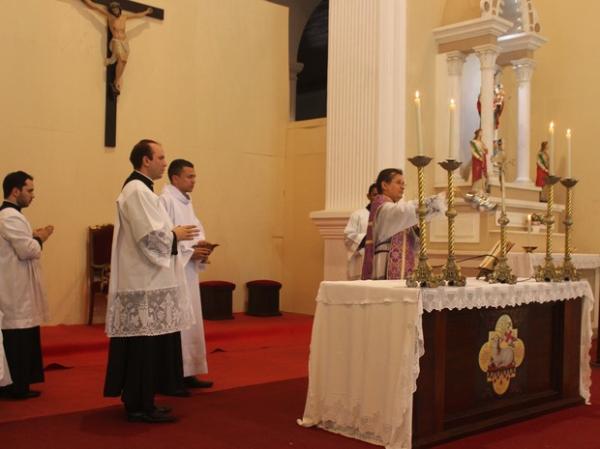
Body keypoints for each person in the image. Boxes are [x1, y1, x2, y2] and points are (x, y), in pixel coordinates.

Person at [103, 139, 199, 423]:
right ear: (146, 160)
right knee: (142, 348)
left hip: (147, 279)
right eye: (160, 157)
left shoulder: (143, 190)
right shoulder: (136, 190)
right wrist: (175, 235)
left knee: (146, 347)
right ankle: (139, 405)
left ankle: (143, 400)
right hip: (143, 281)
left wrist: (172, 233)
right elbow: (149, 236)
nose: (164, 162)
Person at [160, 159, 215, 390]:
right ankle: (173, 375)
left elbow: (194, 230)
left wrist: (202, 246)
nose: (194, 180)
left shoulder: (186, 201)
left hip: (189, 272)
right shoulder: (165, 201)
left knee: (190, 322)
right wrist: (188, 252)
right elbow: (164, 236)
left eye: (194, 176)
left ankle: (189, 371)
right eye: (189, 176)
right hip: (174, 272)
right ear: (175, 178)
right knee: (178, 323)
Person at [0, 171, 54, 399]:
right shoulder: (10, 216)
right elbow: (27, 250)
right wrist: (41, 237)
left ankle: (21, 383)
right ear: (15, 191)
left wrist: (33, 237)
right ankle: (16, 386)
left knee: (22, 332)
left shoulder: (12, 215)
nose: (33, 195)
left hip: (17, 282)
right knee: (17, 334)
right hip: (14, 285)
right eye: (29, 190)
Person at [361, 169, 446, 280]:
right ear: (384, 185)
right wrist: (438, 200)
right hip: (385, 267)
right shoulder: (382, 208)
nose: (402, 187)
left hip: (404, 268)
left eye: (403, 184)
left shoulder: (392, 208)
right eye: (398, 183)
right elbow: (404, 211)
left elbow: (414, 245)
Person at [81, 0, 154, 95]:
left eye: (116, 8)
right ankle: (115, 83)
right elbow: (95, 7)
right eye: (113, 9)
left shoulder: (125, 17)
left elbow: (137, 15)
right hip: (116, 41)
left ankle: (115, 82)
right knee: (120, 56)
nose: (115, 10)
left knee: (124, 61)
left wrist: (146, 12)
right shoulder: (110, 17)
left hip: (125, 42)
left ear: (119, 9)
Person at [343, 183, 378, 280]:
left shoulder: (387, 215)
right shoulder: (358, 214)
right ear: (369, 196)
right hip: (360, 263)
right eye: (375, 195)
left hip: (380, 264)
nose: (378, 198)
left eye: (380, 195)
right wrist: (370, 237)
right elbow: (348, 237)